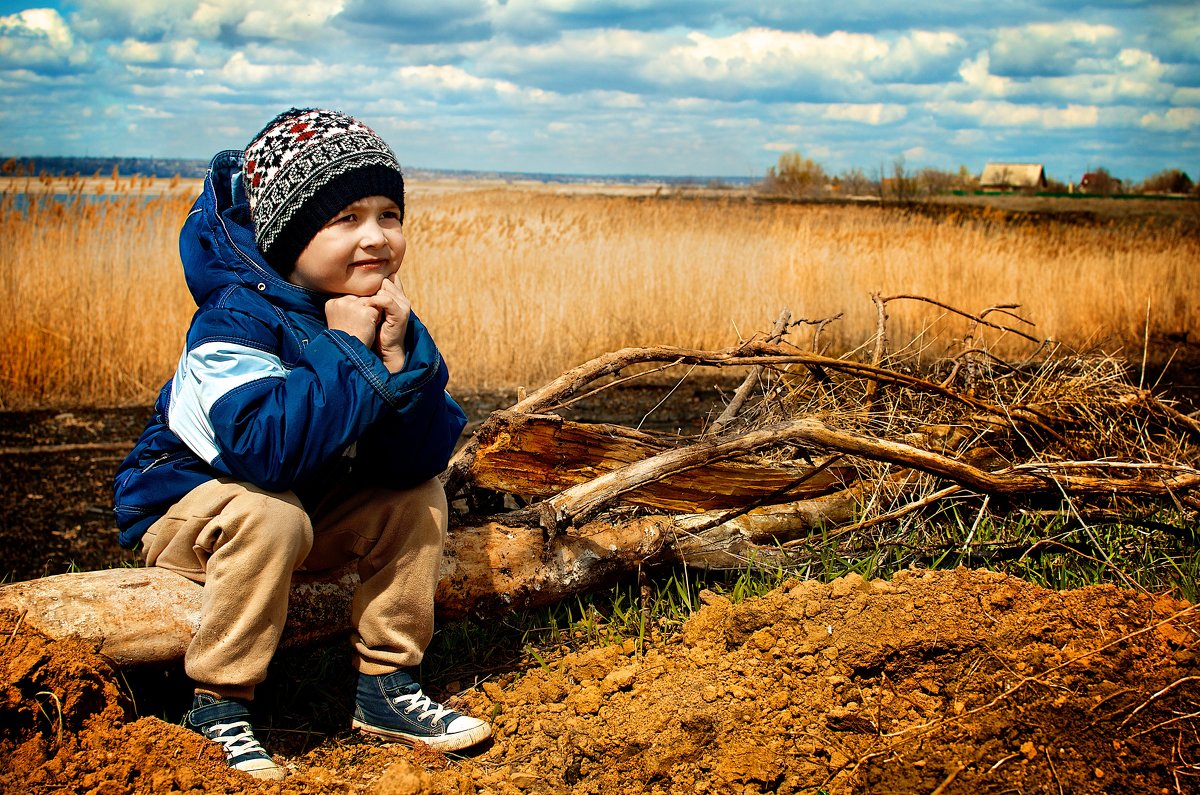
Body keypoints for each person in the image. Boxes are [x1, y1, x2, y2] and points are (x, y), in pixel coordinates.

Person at [112, 108, 490, 780]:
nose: (375, 236)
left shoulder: (366, 307)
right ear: (288, 231)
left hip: (298, 508)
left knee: (416, 497)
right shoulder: (234, 319)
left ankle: (387, 688)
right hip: (186, 510)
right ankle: (218, 704)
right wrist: (348, 350)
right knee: (271, 510)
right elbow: (264, 452)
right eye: (344, 218)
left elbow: (410, 459)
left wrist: (405, 367)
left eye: (388, 215)